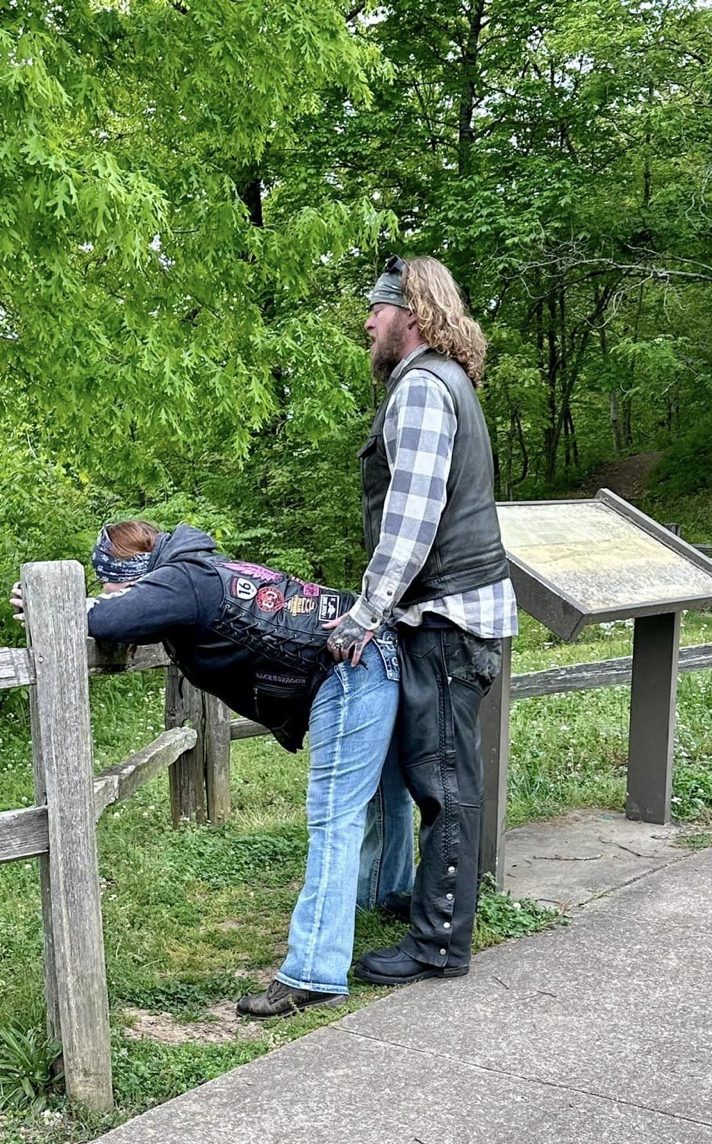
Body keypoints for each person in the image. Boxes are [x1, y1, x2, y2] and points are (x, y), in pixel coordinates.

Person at [12, 521, 414, 1015]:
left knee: (335, 816)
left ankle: (315, 973)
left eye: (109, 582)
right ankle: (386, 894)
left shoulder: (183, 579)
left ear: (134, 573)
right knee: (383, 792)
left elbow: (112, 620)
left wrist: (51, 604)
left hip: (350, 666)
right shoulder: (199, 570)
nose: (108, 592)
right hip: (371, 654)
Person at [323, 255, 518, 986]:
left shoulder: (424, 388)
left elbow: (412, 519)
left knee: (442, 782)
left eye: (376, 310)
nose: (367, 323)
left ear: (409, 311)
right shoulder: (444, 381)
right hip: (452, 614)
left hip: (444, 617)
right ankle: (433, 910)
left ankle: (439, 943)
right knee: (439, 772)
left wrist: (365, 615)